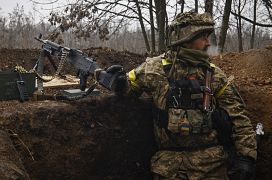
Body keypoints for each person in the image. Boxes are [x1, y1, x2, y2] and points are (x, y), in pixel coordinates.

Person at [105, 12, 257, 179]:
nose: (208, 43)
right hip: (170, 168)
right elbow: (127, 90)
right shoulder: (154, 69)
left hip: (212, 166)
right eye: (203, 37)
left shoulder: (215, 75)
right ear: (186, 38)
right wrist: (115, 81)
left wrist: (246, 157)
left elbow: (238, 117)